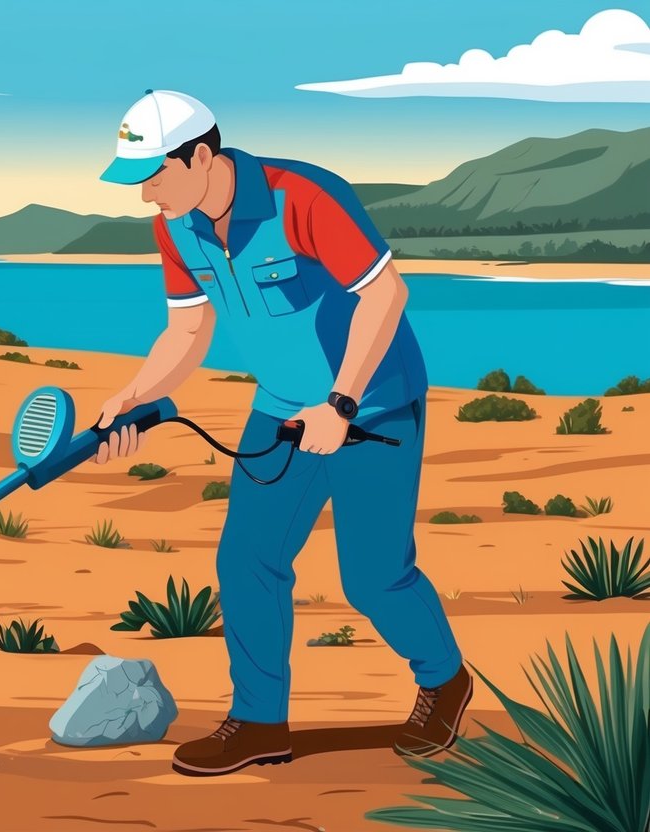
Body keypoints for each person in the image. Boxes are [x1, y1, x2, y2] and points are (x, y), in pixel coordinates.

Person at [93, 89, 471, 776]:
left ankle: (444, 680)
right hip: (278, 411)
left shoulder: (301, 196)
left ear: (201, 156)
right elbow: (185, 330)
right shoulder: (175, 225)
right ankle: (259, 721)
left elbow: (384, 295)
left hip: (373, 406)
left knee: (374, 578)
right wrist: (132, 396)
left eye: (153, 176)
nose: (145, 195)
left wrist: (340, 402)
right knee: (246, 562)